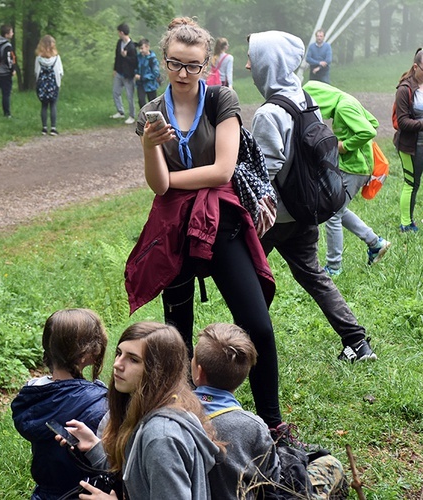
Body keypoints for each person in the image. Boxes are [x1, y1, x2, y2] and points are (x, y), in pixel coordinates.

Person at [125, 17, 293, 442]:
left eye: (193, 65)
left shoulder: (221, 98)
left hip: (219, 222)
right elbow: (156, 183)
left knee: (257, 324)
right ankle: (182, 418)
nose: (183, 74)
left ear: (206, 64)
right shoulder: (150, 112)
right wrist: (149, 147)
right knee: (175, 332)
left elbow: (222, 170)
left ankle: (272, 423)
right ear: (164, 62)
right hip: (174, 230)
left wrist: (171, 180)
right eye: (175, 64)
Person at [247, 30, 377, 363]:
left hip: (273, 217)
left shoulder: (268, 113)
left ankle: (242, 347)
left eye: (253, 58)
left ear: (268, 64)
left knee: (246, 280)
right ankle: (357, 342)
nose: (248, 65)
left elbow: (267, 168)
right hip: (306, 210)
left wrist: (247, 203)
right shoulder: (305, 98)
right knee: (315, 277)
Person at [62, 322, 221, 499]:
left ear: (158, 370)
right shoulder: (157, 407)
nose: (117, 364)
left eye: (133, 359)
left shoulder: (161, 438)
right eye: (119, 354)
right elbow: (139, 477)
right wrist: (94, 447)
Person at [192, 323, 348, 499]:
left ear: (198, 371)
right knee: (331, 464)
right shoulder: (252, 426)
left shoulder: (176, 412)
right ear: (243, 377)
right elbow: (274, 481)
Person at [11, 309, 108, 500]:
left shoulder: (33, 395)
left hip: (44, 494)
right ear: (85, 354)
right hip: (86, 494)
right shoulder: (100, 405)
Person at [303, 80, 392, 274]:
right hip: (360, 167)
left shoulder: (343, 108)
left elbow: (369, 130)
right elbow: (373, 121)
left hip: (354, 168)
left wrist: (343, 146)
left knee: (333, 214)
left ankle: (334, 267)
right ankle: (375, 243)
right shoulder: (347, 100)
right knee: (338, 209)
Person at [393, 48, 423, 232]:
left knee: (417, 183)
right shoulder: (405, 89)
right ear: (415, 66)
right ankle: (405, 224)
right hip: (410, 146)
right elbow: (403, 122)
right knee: (411, 182)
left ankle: (410, 221)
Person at [34, 35, 64, 136]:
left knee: (44, 106)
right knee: (53, 105)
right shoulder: (56, 58)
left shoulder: (38, 58)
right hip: (53, 83)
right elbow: (60, 72)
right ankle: (53, 128)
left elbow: (36, 71)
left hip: (42, 84)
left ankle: (44, 128)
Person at [109, 23, 138, 125]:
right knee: (115, 92)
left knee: (129, 96)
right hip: (119, 73)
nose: (118, 34)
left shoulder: (132, 46)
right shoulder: (119, 43)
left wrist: (126, 56)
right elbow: (117, 56)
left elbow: (134, 61)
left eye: (118, 32)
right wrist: (115, 69)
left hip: (128, 75)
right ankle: (120, 111)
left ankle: (132, 116)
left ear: (121, 32)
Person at [134, 38, 160, 109]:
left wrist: (142, 77)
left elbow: (156, 73)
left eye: (142, 48)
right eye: (139, 48)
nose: (140, 50)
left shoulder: (152, 59)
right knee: (141, 101)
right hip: (140, 84)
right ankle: (144, 117)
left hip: (151, 85)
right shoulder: (138, 57)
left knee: (153, 103)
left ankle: (154, 118)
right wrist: (135, 74)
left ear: (148, 47)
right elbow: (136, 67)